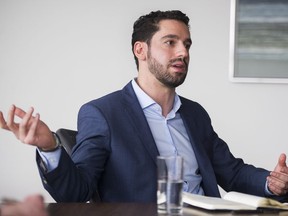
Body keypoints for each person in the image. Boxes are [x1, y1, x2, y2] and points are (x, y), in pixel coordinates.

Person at [0, 10, 288, 203]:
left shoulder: (195, 114)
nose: (183, 53)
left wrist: (272, 182)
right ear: (141, 50)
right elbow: (76, 191)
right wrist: (50, 147)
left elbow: (232, 173)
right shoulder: (103, 113)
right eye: (170, 42)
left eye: (187, 44)